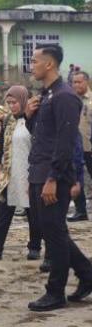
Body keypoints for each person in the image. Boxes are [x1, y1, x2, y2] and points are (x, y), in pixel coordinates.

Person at [24, 44, 92, 311]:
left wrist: (53, 178)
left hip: (54, 175)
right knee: (52, 230)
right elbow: (42, 135)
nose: (31, 66)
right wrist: (27, 116)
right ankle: (87, 274)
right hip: (39, 171)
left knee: (54, 233)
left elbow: (65, 142)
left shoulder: (64, 96)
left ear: (49, 64)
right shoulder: (47, 95)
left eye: (35, 61)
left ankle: (55, 292)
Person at [0, 86, 42, 260]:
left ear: (23, 101)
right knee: (4, 211)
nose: (12, 106)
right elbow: (0, 148)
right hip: (10, 172)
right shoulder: (8, 120)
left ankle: (34, 246)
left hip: (28, 172)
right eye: (9, 103)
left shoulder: (34, 118)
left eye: (15, 102)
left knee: (32, 212)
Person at [69, 70, 92, 221]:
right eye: (74, 82)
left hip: (89, 148)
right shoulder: (70, 100)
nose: (76, 85)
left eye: (79, 82)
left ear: (87, 82)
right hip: (75, 148)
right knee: (76, 179)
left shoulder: (90, 101)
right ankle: (81, 211)